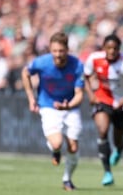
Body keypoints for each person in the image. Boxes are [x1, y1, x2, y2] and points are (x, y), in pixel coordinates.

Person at [21, 32, 84, 191]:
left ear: (67, 50)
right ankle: (56, 152)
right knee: (56, 143)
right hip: (48, 105)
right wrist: (31, 97)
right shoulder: (42, 63)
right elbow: (25, 72)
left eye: (61, 51)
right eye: (54, 51)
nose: (58, 55)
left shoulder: (77, 65)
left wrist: (68, 106)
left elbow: (79, 95)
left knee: (74, 148)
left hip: (70, 107)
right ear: (50, 49)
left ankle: (67, 179)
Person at [83, 34, 123, 186]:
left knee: (117, 139)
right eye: (109, 48)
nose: (112, 51)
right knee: (102, 131)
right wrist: (91, 95)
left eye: (115, 48)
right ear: (103, 48)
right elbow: (85, 76)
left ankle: (120, 148)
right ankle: (107, 172)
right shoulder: (94, 58)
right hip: (103, 100)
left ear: (119, 49)